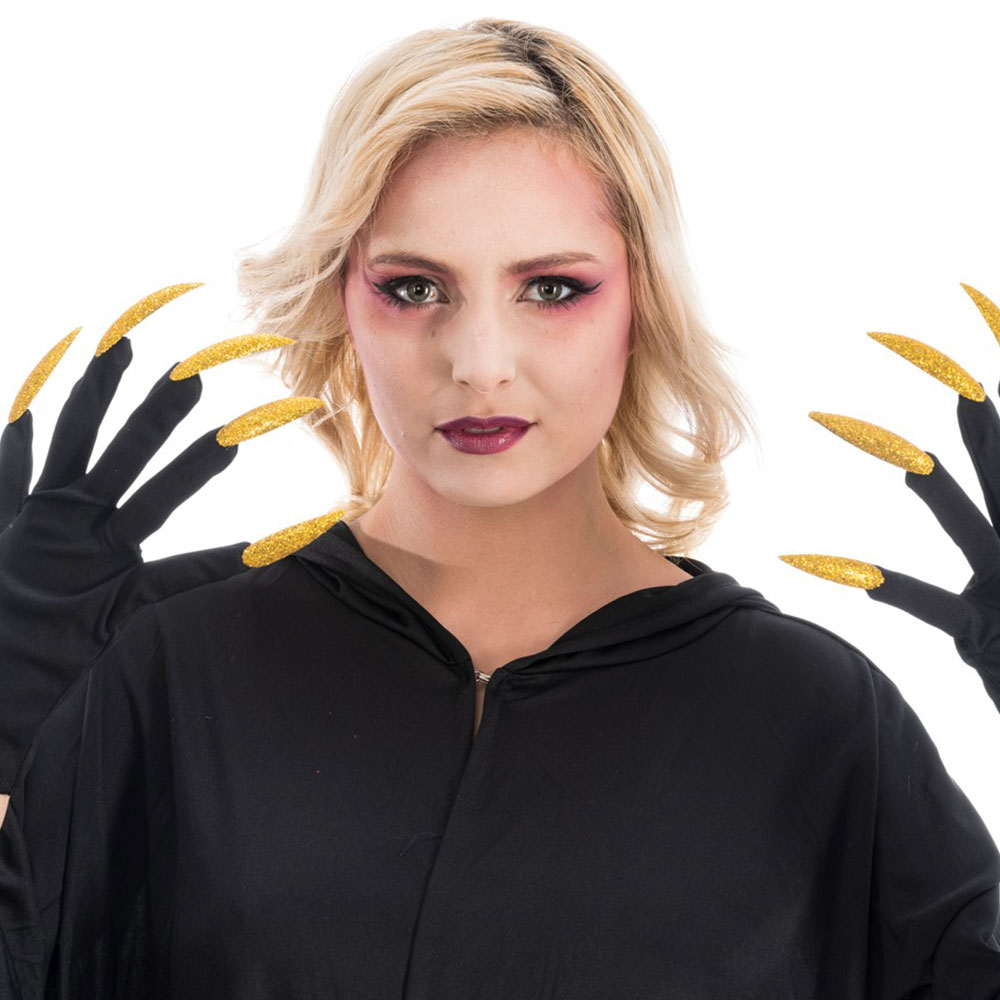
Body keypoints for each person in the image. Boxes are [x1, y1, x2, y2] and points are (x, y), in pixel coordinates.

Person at [1, 15, 999, 998]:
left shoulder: (807, 712)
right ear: (342, 299)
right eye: (414, 288)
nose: (480, 364)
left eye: (552, 289)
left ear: (640, 301)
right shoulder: (165, 663)